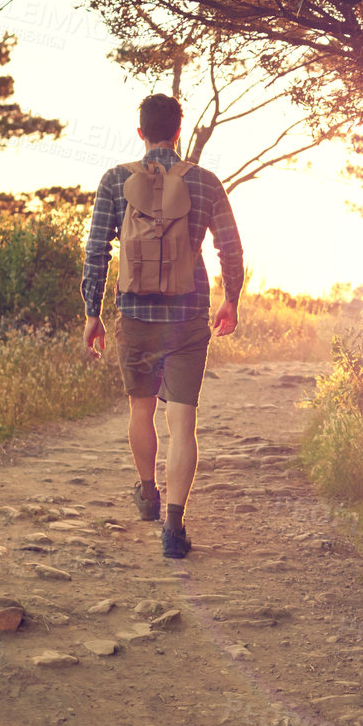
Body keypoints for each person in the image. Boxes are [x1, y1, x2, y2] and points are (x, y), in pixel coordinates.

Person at [81, 94, 243, 558]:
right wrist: (231, 299)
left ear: (140, 133)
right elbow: (230, 247)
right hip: (188, 314)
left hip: (134, 313)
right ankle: (174, 526)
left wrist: (93, 312)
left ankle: (147, 492)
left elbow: (97, 252)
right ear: (179, 131)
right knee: (183, 421)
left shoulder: (115, 179)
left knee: (141, 408)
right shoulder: (206, 182)